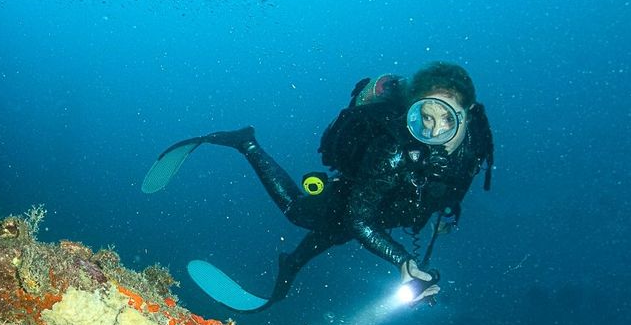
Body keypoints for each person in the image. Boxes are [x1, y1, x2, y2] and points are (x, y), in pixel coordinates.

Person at [141, 62, 494, 311]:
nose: (433, 132)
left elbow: (450, 187)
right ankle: (245, 142)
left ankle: (291, 264)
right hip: (365, 199)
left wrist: (442, 218)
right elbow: (360, 219)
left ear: (469, 113)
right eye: (426, 117)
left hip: (391, 209)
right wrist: (402, 261)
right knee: (302, 214)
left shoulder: (476, 144)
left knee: (335, 233)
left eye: (448, 119)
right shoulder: (392, 151)